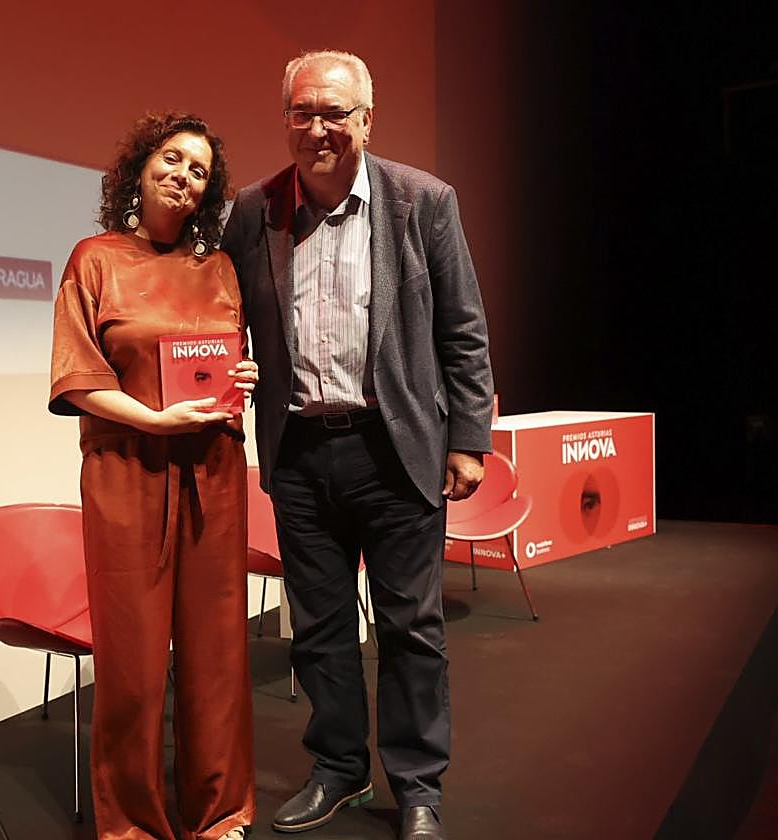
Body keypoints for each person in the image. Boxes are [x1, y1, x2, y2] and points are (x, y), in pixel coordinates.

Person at [221, 51, 494, 840]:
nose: (318, 128)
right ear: (286, 120)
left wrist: (468, 439)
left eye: (334, 112)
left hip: (395, 448)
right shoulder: (253, 211)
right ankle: (337, 768)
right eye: (302, 112)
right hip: (301, 453)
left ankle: (416, 788)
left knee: (412, 627)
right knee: (321, 628)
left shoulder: (423, 203)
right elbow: (217, 310)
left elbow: (464, 331)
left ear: (366, 120)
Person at [48, 112, 257, 840]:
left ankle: (221, 811)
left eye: (199, 170)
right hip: (126, 473)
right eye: (172, 159)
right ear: (140, 169)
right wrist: (152, 419)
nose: (183, 176)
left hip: (214, 471)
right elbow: (77, 378)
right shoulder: (94, 260)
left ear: (207, 194)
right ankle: (133, 823)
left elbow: (228, 366)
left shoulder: (220, 269)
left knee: (219, 655)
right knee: (133, 665)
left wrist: (244, 376)